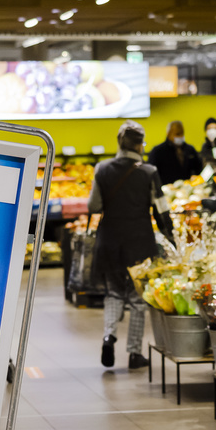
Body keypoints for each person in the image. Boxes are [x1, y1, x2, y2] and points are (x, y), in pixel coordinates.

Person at [89, 120, 174, 370]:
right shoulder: (149, 172)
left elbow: (93, 207)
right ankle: (134, 353)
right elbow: (161, 210)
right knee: (138, 298)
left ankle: (108, 336)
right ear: (140, 145)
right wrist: (171, 238)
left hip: (110, 241)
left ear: (119, 142)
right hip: (139, 242)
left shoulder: (102, 169)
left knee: (113, 292)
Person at [146, 120, 203, 185]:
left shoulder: (190, 149)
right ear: (169, 134)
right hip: (166, 189)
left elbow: (199, 169)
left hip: (186, 189)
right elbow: (151, 174)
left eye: (182, 133)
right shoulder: (158, 151)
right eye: (177, 134)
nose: (180, 136)